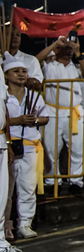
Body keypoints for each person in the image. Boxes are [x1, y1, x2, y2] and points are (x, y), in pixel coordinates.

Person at [4, 57, 48, 239]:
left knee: (27, 187)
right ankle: (5, 226)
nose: (21, 74)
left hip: (30, 146)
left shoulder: (33, 95)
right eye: (16, 71)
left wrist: (34, 121)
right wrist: (17, 121)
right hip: (8, 145)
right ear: (6, 75)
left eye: (24, 71)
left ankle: (25, 224)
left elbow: (45, 116)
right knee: (6, 189)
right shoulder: (4, 95)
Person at [36, 35, 84, 194]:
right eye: (66, 47)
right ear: (57, 49)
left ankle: (75, 182)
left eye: (71, 48)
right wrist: (54, 44)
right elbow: (35, 61)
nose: (69, 51)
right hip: (53, 112)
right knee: (51, 150)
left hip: (74, 113)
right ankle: (51, 181)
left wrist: (79, 53)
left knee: (77, 148)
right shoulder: (49, 65)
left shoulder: (76, 66)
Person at [0, 62, 35, 252]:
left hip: (2, 141)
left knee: (2, 195)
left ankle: (1, 245)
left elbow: (2, 108)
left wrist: (7, 141)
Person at [5, 27, 42, 92]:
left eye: (18, 35)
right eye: (10, 34)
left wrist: (15, 79)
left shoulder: (31, 59)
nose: (15, 37)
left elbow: (37, 84)